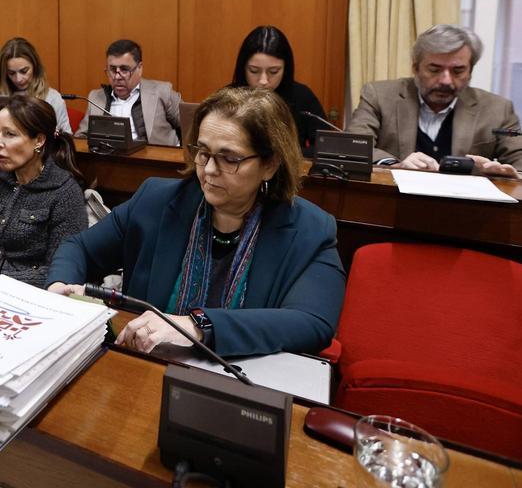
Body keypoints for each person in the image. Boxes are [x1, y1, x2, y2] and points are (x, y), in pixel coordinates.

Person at [49, 87, 346, 359]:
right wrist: (60, 288)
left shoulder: (309, 229)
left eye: (230, 159)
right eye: (203, 152)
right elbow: (79, 249)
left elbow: (313, 323)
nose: (210, 170)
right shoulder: (156, 200)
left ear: (270, 165)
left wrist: (197, 325)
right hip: (145, 365)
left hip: (242, 380)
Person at [347, 24, 522, 180]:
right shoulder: (380, 95)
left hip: (468, 215)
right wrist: (395, 165)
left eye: (457, 71)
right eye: (434, 69)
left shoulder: (496, 108)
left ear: (470, 71)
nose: (446, 80)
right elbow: (352, 145)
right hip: (394, 205)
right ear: (416, 67)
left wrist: (515, 175)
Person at [0, 94, 86, 287]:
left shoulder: (64, 192)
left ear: (39, 140)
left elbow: (58, 270)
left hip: (25, 294)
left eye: (9, 134)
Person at [229, 26, 328, 156]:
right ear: (243, 68)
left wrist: (286, 157)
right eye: (254, 71)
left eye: (273, 72)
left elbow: (325, 147)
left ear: (285, 69)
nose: (263, 81)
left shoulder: (302, 96)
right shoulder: (228, 98)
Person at [74, 39, 183, 146]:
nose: (117, 77)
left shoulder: (162, 92)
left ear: (139, 68)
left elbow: (192, 125)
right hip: (109, 160)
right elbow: (81, 137)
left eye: (124, 69)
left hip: (154, 160)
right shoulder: (95, 97)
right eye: (112, 70)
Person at [0, 37, 71, 134]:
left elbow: (66, 140)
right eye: (11, 73)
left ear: (35, 67)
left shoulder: (52, 98)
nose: (18, 79)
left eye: (24, 71)